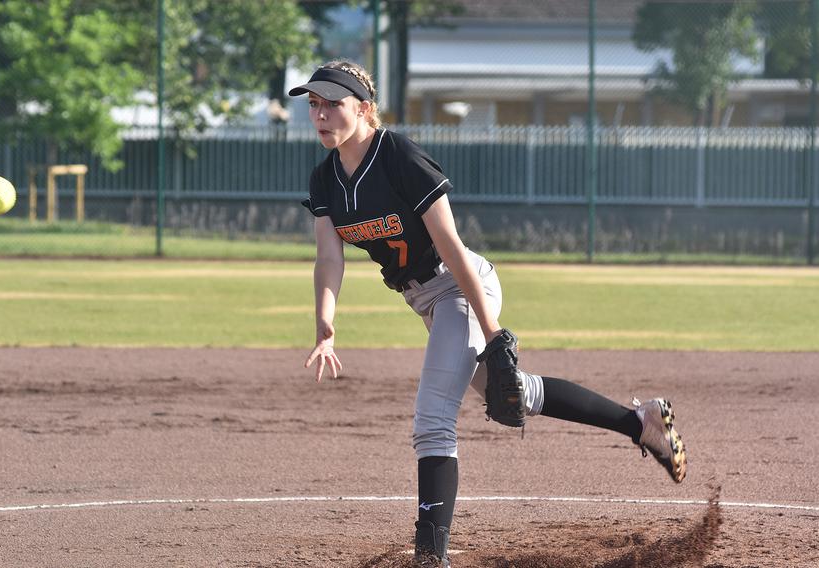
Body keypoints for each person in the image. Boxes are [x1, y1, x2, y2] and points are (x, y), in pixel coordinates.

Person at [291, 61, 687, 567]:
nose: (321, 115)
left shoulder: (398, 157)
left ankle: (429, 556)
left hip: (461, 286)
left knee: (432, 421)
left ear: (364, 109)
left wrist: (493, 330)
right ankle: (642, 422)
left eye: (333, 104)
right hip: (427, 301)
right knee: (516, 392)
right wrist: (326, 325)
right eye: (314, 105)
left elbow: (451, 247)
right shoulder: (325, 178)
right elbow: (330, 255)